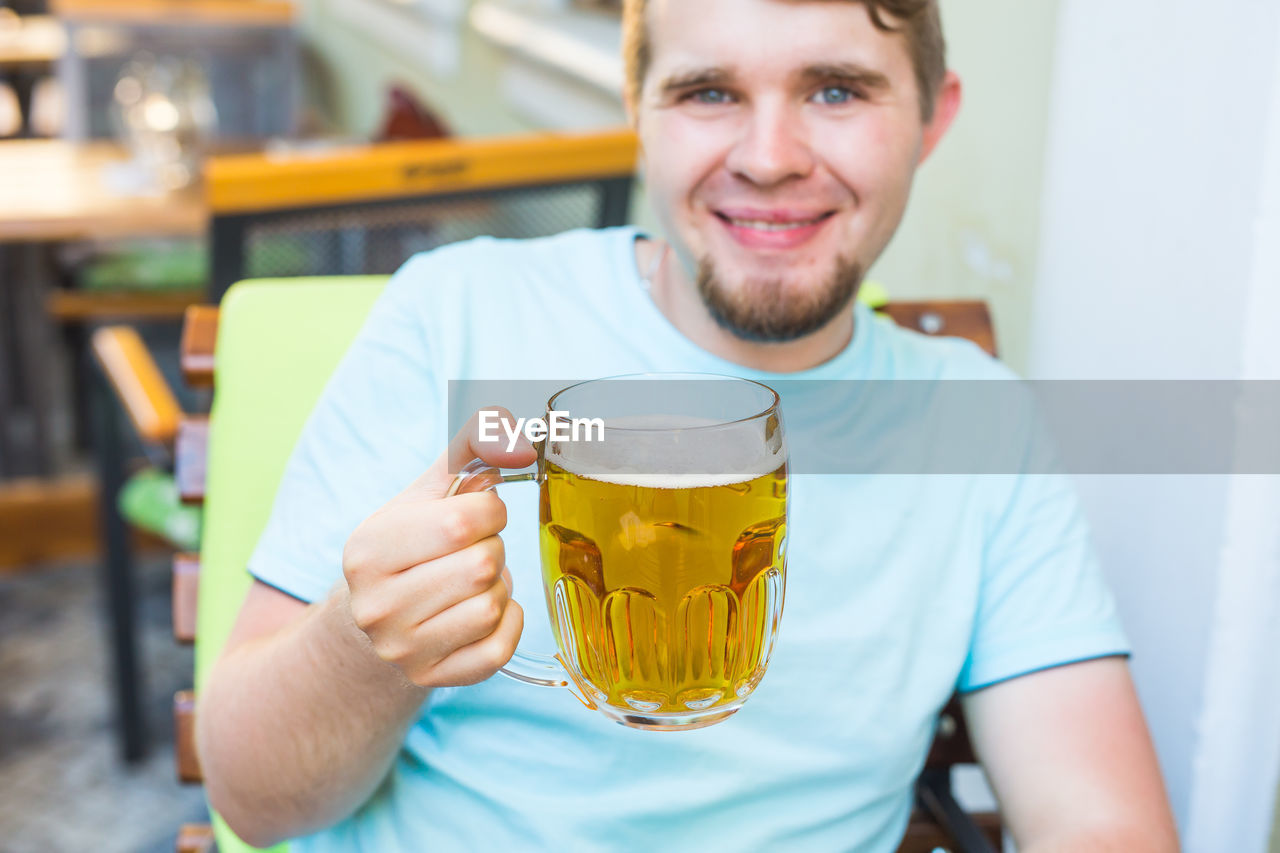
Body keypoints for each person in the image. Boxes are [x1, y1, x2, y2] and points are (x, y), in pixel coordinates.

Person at [197, 1, 1179, 850]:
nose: (766, 158)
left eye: (836, 90)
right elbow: (252, 798)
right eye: (707, 91)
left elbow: (1102, 820)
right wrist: (362, 650)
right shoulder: (459, 317)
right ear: (637, 113)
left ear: (931, 117)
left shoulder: (978, 425)